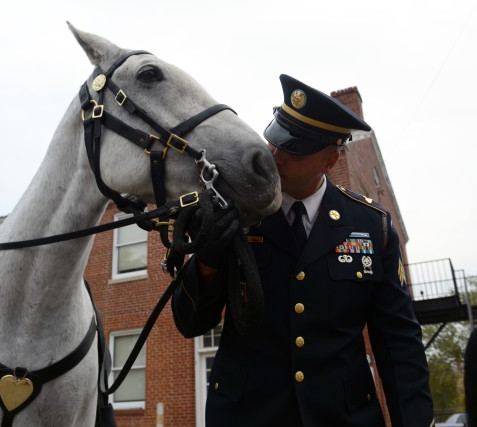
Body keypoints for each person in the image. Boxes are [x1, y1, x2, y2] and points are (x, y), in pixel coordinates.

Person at [171, 74, 435, 427]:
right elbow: (190, 323)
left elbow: (398, 343)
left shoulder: (372, 226)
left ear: (329, 160)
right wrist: (206, 261)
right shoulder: (235, 213)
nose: (274, 154)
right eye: (275, 140)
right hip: (248, 415)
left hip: (343, 417)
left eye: (292, 148)